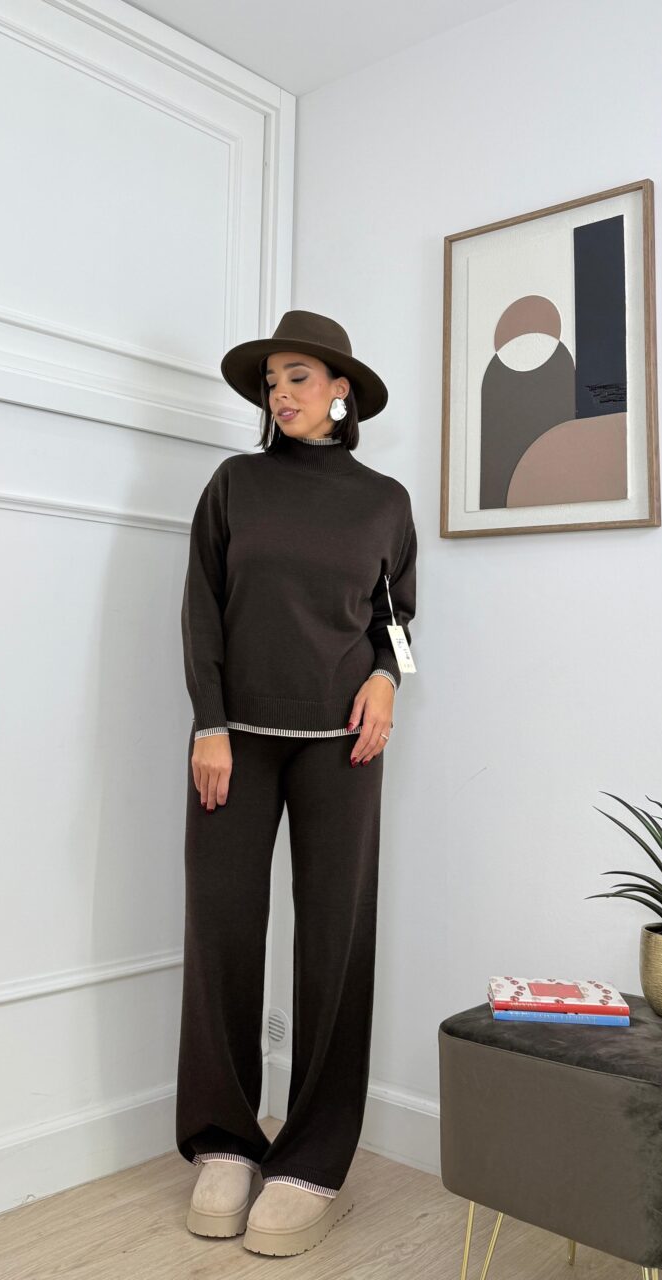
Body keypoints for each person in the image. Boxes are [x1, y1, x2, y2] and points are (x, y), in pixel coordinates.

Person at [175, 310, 418, 1257]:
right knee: (223, 932)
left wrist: (386, 679)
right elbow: (202, 609)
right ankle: (225, 1142)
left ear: (340, 391)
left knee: (335, 944)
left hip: (343, 746)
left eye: (300, 377)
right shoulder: (234, 485)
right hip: (235, 743)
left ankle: (312, 1159)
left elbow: (398, 617)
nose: (281, 392)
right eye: (272, 379)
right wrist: (209, 722)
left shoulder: (384, 501)